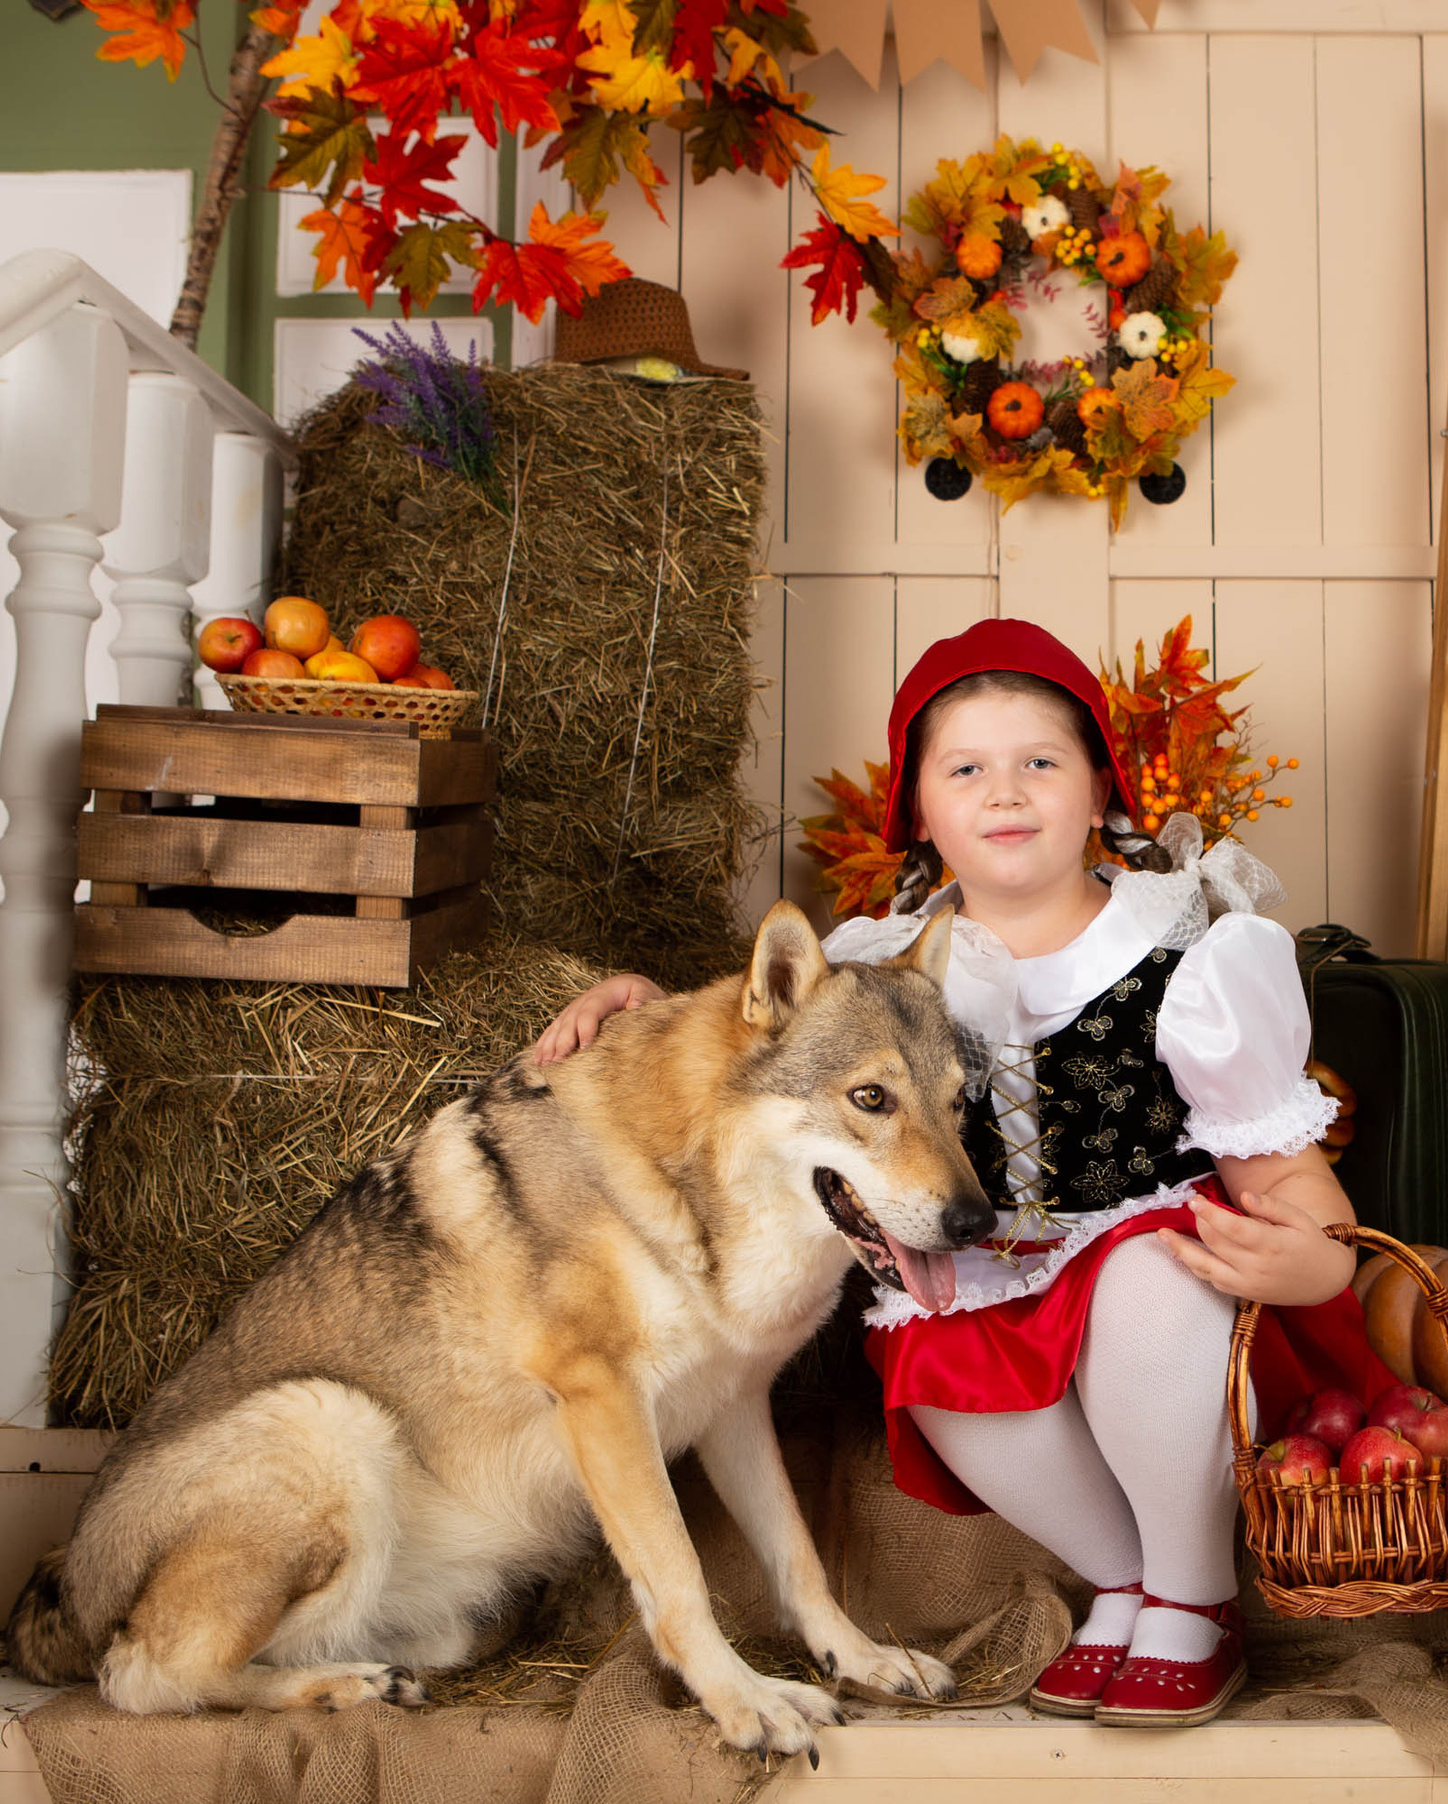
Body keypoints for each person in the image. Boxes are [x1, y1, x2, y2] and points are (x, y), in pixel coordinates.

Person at [532, 618, 1392, 1728]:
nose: (1007, 791)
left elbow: (1285, 1177)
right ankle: (1126, 1583)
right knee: (929, 1355)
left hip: (1173, 1307)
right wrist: (637, 1005)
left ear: (1098, 792)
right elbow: (755, 1042)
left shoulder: (1188, 957)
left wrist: (1314, 1260)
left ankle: (1195, 1586)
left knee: (1149, 1276)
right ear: (921, 813)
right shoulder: (873, 969)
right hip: (993, 1289)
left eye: (1040, 760)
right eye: (966, 768)